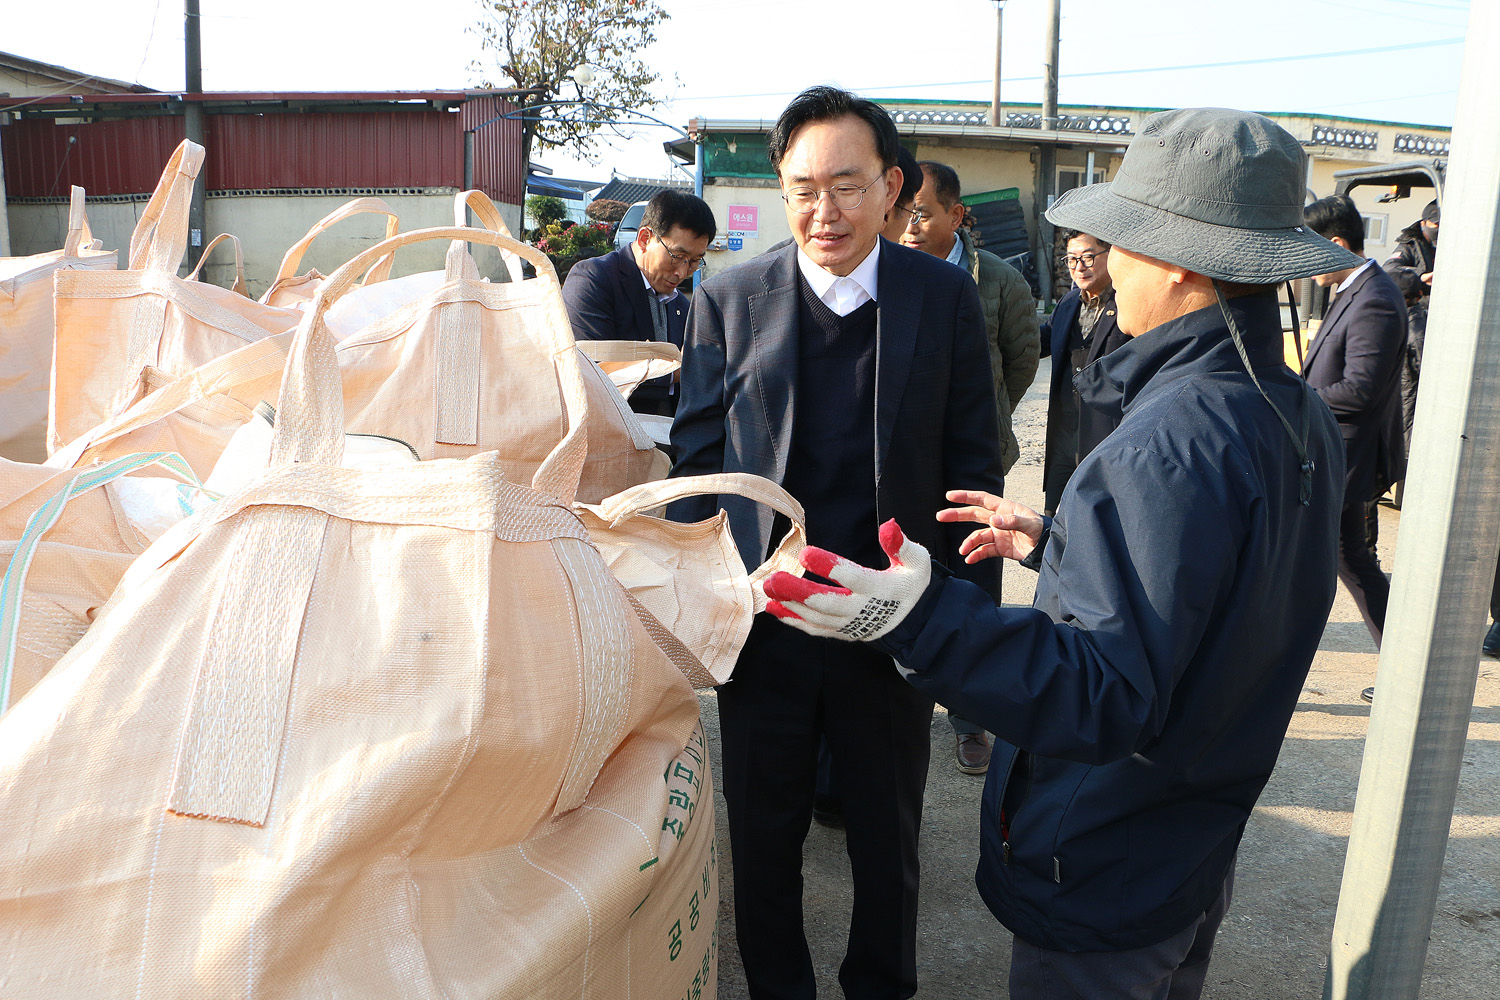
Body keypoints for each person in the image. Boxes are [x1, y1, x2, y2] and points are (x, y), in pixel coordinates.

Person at [761, 107, 1352, 1000]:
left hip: (1106, 857)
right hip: (1189, 840)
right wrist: (1065, 544)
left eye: (1123, 240)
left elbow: (1099, 693)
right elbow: (1221, 595)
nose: (1106, 263)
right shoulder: (1288, 409)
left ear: (1179, 259)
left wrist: (917, 616)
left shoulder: (1166, 441)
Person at [669, 85, 1005, 999]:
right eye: (803, 188)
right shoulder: (732, 296)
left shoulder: (941, 298)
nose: (826, 212)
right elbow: (696, 458)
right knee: (763, 833)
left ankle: (880, 986)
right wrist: (700, 592)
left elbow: (975, 460)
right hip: (766, 619)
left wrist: (964, 625)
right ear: (782, 192)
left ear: (892, 186)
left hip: (892, 620)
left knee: (888, 833)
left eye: (849, 186)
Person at [901, 158, 1040, 775]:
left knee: (972, 575)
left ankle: (970, 717)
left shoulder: (1000, 282)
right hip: (902, 457)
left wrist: (984, 425)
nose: (907, 226)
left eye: (922, 213)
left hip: (970, 459)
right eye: (901, 211)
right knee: (899, 570)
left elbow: (1020, 361)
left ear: (956, 216)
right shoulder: (884, 272)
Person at [1302, 194, 1408, 700]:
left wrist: (1297, 397)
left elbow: (1360, 390)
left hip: (1346, 456)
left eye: (1309, 247)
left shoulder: (1376, 299)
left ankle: (1402, 670)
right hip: (1332, 452)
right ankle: (1400, 668)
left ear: (1337, 244)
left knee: (1348, 559)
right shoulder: (1353, 290)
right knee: (1345, 558)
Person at [562, 189, 716, 416]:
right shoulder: (594, 279)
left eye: (694, 261)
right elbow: (594, 371)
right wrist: (678, 370)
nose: (683, 272)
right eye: (677, 256)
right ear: (645, 238)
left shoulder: (681, 306)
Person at [1040, 229, 1130, 516]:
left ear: (1111, 255)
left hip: (1107, 434)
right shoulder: (1067, 305)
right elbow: (1034, 344)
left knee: (1097, 522)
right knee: (1055, 522)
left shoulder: (1128, 304)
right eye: (1072, 259)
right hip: (1064, 438)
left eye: (1089, 258)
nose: (1079, 267)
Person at [1383, 199, 1439, 296]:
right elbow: (1390, 268)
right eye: (1436, 223)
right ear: (1423, 224)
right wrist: (1421, 275)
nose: (1439, 227)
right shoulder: (1410, 245)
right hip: (1420, 305)